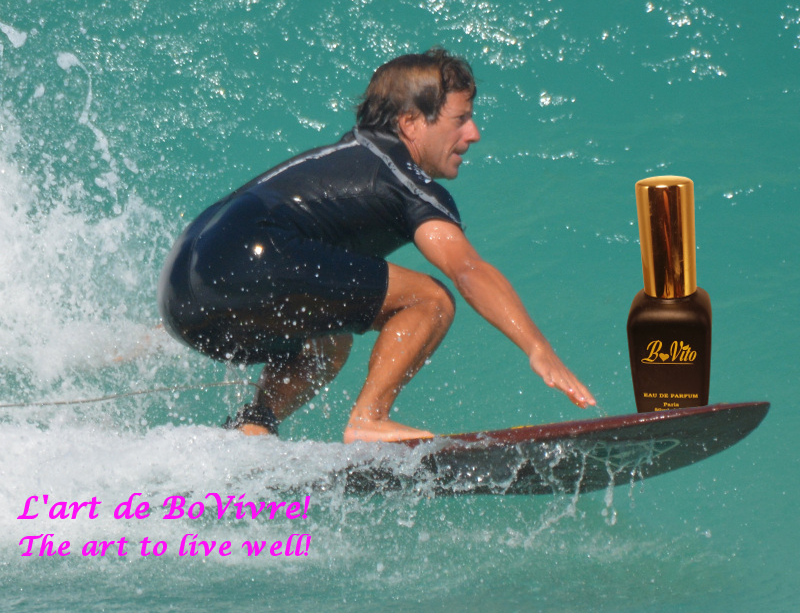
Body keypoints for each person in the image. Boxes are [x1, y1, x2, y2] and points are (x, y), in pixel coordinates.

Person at [157, 49, 596, 443]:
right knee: (431, 299)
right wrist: (538, 347)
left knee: (330, 340)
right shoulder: (405, 182)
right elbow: (468, 270)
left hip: (182, 292)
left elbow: (230, 257)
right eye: (460, 119)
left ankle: (253, 423)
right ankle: (369, 418)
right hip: (253, 257)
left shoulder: (347, 158)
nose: (474, 133)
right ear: (411, 122)